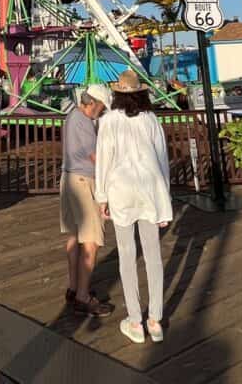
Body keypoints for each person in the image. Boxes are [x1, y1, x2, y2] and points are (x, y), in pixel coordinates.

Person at [95, 69, 172, 345]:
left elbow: (103, 160)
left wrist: (101, 197)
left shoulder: (109, 120)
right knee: (153, 256)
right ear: (140, 93)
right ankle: (155, 319)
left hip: (121, 190)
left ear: (116, 94)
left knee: (127, 256)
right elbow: (162, 161)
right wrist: (165, 202)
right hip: (151, 190)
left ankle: (135, 321)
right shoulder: (150, 119)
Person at [60, 83, 113, 317]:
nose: (101, 112)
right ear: (93, 103)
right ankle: (83, 295)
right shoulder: (83, 122)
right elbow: (95, 157)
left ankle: (73, 288)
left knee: (74, 236)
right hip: (84, 181)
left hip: (69, 178)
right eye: (101, 107)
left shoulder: (71, 115)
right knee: (91, 240)